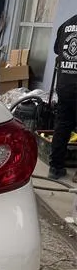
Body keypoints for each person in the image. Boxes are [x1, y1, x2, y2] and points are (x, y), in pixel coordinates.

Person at [49, 13, 77, 180]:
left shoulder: (66, 25)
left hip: (65, 85)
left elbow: (57, 50)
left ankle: (55, 168)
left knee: (62, 126)